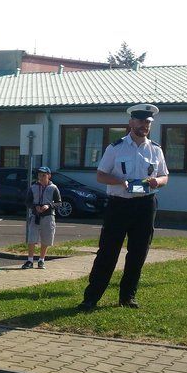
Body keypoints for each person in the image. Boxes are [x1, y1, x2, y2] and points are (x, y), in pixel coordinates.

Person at [78, 103, 169, 311]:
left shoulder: (155, 149)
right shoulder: (116, 147)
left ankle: (127, 297)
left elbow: (164, 175)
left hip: (145, 205)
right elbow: (101, 175)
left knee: (138, 253)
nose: (144, 126)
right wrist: (120, 182)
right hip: (119, 205)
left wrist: (157, 182)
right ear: (130, 123)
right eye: (140, 121)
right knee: (108, 252)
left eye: (147, 122)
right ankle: (91, 297)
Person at [22, 166, 62, 270]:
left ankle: (41, 260)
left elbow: (59, 203)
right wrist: (35, 206)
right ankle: (30, 260)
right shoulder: (33, 187)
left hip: (48, 216)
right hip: (35, 215)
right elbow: (27, 202)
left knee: (46, 238)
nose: (41, 177)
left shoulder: (54, 188)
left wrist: (49, 206)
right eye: (40, 175)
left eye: (44, 175)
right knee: (32, 238)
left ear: (49, 176)